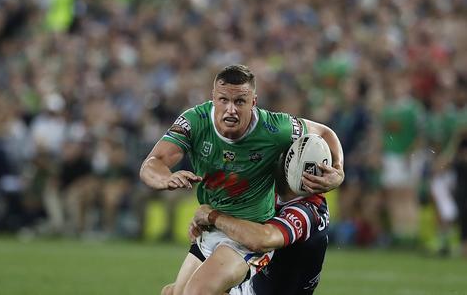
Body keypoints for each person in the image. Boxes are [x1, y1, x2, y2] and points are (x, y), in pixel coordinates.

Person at [140, 65, 344, 295]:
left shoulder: (275, 128)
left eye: (239, 102)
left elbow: (325, 133)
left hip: (246, 234)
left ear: (253, 102)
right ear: (213, 99)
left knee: (197, 292)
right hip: (211, 228)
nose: (231, 109)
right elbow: (152, 163)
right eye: (223, 100)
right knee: (172, 293)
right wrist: (165, 178)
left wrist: (338, 170)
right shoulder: (195, 121)